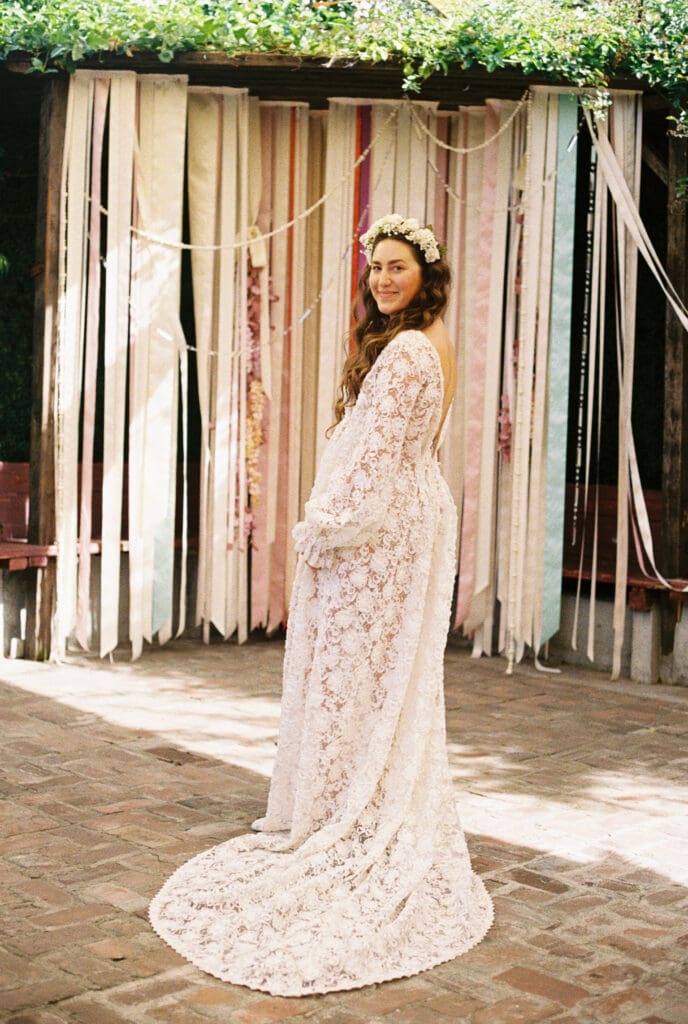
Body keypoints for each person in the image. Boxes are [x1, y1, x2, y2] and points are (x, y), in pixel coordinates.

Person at [149, 214, 493, 996]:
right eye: (376, 268)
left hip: (380, 536)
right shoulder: (431, 337)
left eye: (397, 266)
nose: (383, 279)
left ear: (426, 271)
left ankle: (350, 808)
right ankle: (362, 797)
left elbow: (372, 463)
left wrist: (324, 530)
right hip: (414, 520)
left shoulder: (406, 351)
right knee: (384, 679)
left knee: (355, 672)